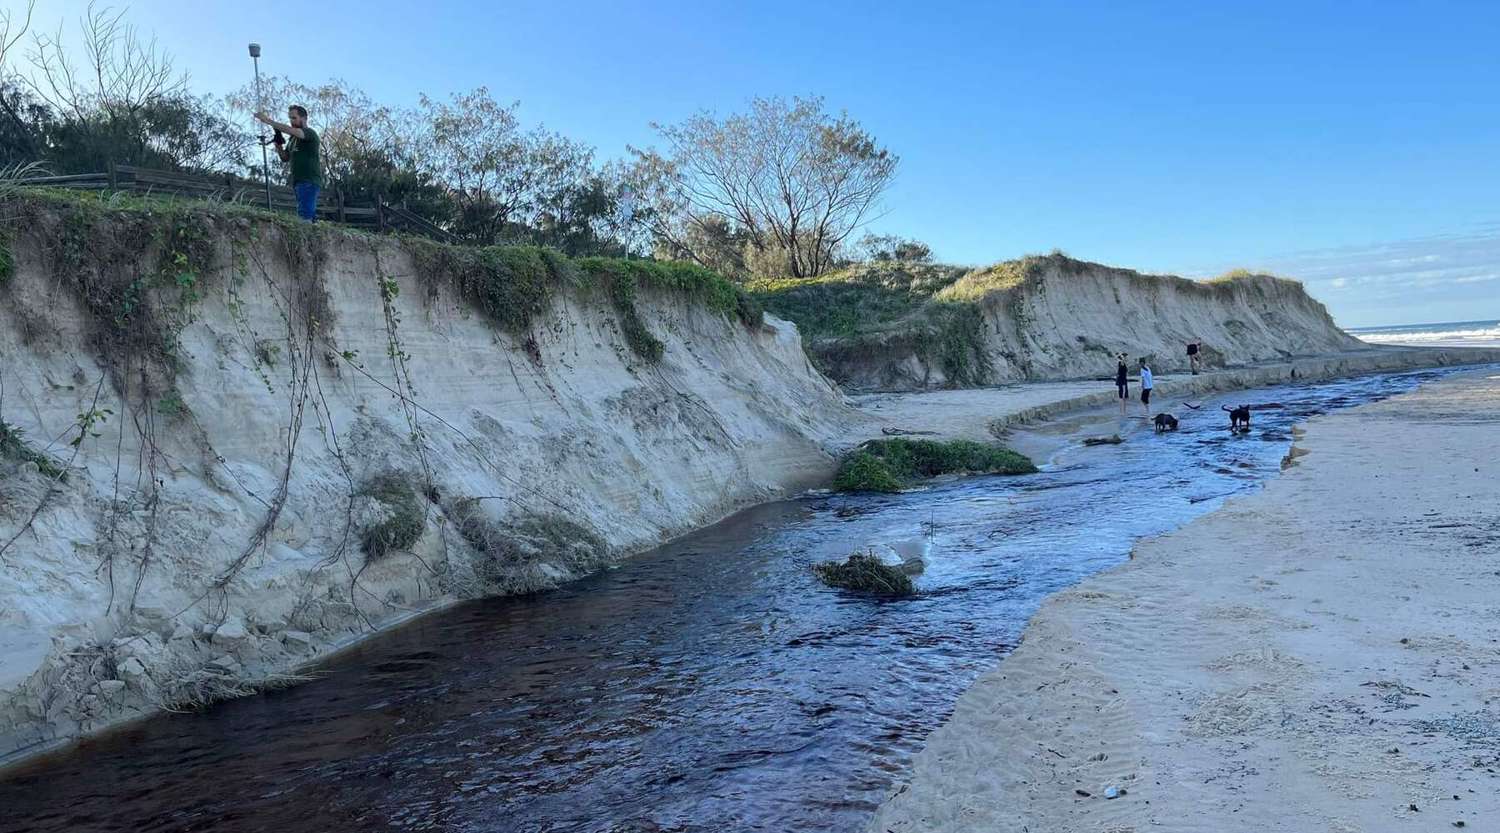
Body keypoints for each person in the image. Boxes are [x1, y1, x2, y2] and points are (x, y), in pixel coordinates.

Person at [254, 105, 321, 221]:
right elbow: (285, 157)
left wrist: (268, 121)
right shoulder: (292, 140)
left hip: (309, 180)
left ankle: (304, 236)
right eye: (290, 118)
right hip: (298, 182)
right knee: (307, 215)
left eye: (294, 118)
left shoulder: (309, 133)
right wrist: (278, 144)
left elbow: (291, 130)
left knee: (304, 217)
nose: (291, 121)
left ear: (304, 118)